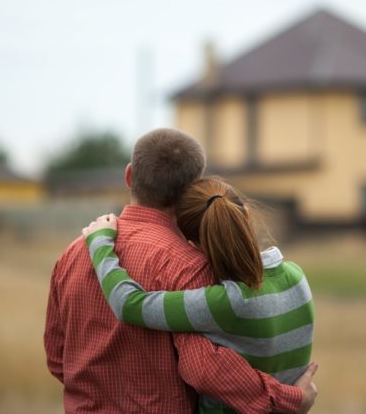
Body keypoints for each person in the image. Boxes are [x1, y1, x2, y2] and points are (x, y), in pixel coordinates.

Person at [44, 128, 317, 413]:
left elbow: (57, 358)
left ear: (128, 175)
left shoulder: (73, 253)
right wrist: (290, 397)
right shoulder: (191, 267)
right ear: (193, 191)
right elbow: (204, 370)